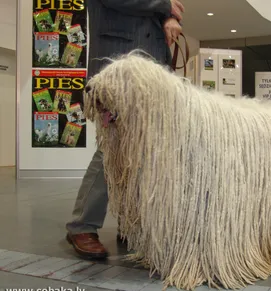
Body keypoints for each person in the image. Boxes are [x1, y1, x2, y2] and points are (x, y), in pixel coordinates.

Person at [65, 0, 185, 259]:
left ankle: (130, 223)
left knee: (142, 149)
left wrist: (168, 19)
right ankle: (82, 225)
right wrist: (165, 6)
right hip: (118, 60)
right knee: (112, 146)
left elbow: (167, 10)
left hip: (151, 65)